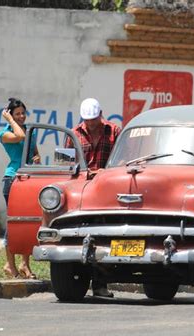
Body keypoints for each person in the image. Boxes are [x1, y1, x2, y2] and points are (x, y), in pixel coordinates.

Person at [66, 98, 121, 297]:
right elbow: (67, 163)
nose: (91, 124)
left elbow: (122, 159)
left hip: (107, 191)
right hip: (83, 192)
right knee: (78, 235)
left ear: (101, 115)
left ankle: (100, 285)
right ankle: (74, 279)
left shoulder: (114, 131)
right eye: (87, 120)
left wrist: (105, 173)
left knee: (105, 236)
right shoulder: (74, 134)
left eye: (94, 119)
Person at [0, 98, 40, 279]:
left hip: (28, 180)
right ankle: (10, 264)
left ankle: (25, 264)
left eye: (23, 113)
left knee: (27, 224)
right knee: (13, 224)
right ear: (10, 115)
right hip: (13, 180)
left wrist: (37, 159)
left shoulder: (29, 130)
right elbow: (21, 137)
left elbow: (35, 152)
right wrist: (10, 121)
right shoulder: (5, 133)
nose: (22, 116)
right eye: (17, 114)